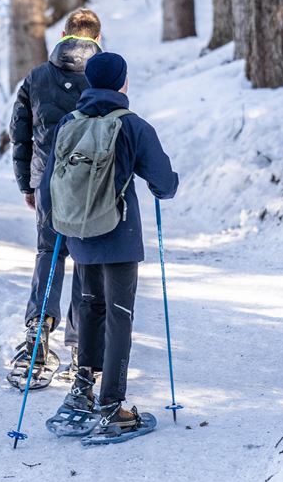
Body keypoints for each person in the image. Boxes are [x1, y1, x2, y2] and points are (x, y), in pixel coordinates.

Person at [38, 50, 179, 435]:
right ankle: (112, 405)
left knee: (90, 309)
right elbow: (164, 184)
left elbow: (49, 182)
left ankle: (82, 388)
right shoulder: (133, 126)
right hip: (118, 235)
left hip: (79, 234)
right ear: (122, 82)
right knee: (119, 317)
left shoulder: (69, 122)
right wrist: (165, 185)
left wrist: (57, 225)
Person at [8, 8, 102, 383]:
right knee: (83, 257)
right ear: (97, 37)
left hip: (48, 182)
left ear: (63, 33)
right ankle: (81, 345)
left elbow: (21, 134)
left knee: (49, 253)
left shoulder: (37, 77)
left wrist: (27, 184)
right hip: (90, 184)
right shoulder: (105, 75)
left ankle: (38, 334)